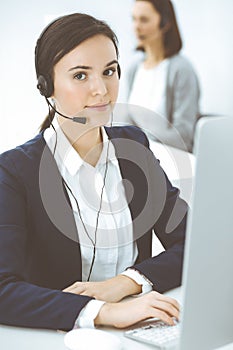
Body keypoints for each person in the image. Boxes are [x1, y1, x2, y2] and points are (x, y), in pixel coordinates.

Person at [0, 13, 187, 331]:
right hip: (59, 338)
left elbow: (192, 243)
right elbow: (4, 290)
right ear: (47, 87)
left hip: (141, 328)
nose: (101, 90)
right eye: (80, 76)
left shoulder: (134, 147)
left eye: (109, 71)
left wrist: (126, 283)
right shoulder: (15, 172)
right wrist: (102, 311)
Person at [122, 0, 200, 152]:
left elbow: (183, 136)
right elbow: (129, 123)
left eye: (144, 20)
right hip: (139, 156)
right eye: (134, 19)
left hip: (171, 159)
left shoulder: (181, 70)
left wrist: (140, 141)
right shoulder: (133, 70)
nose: (136, 27)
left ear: (165, 23)